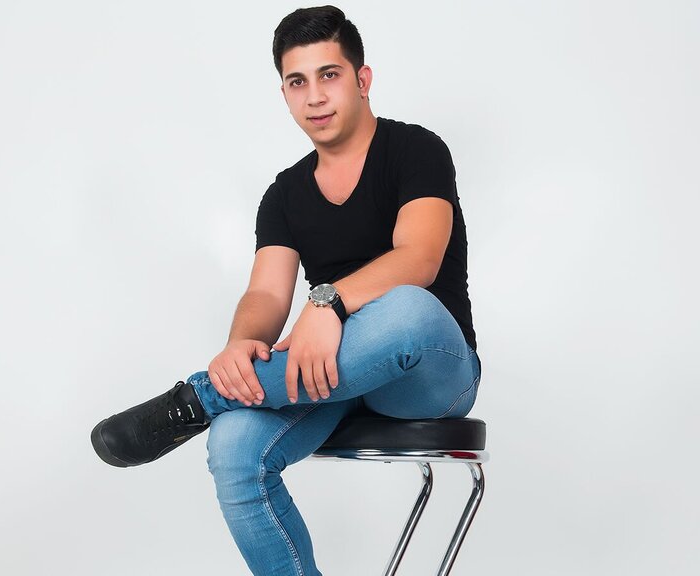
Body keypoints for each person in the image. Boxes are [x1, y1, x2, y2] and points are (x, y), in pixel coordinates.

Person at [91, 6, 480, 575]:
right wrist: (239, 346)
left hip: (428, 371)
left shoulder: (416, 150)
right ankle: (221, 395)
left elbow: (418, 259)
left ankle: (199, 398)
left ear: (362, 79)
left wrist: (328, 303)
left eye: (329, 75)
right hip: (330, 378)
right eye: (298, 82)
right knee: (232, 447)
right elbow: (268, 297)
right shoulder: (283, 194)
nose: (315, 96)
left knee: (408, 310)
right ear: (284, 94)